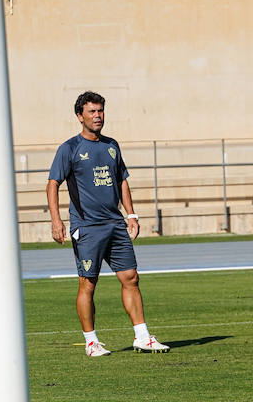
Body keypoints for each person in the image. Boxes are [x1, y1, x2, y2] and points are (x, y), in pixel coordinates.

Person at [46, 91, 169, 356]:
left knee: (131, 277)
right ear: (80, 116)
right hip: (87, 227)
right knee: (88, 283)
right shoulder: (69, 148)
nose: (97, 116)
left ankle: (142, 337)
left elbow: (121, 180)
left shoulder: (112, 146)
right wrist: (56, 221)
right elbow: (53, 183)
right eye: (91, 111)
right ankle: (91, 342)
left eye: (100, 110)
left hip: (115, 223)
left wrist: (131, 215)